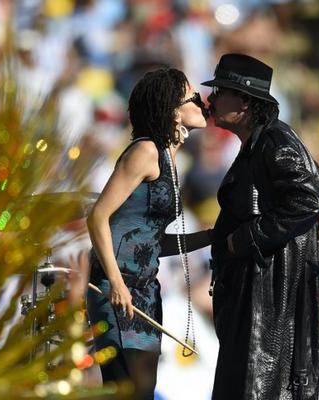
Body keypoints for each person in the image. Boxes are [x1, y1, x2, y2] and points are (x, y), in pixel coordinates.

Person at [202, 53, 319, 399]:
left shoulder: (274, 141)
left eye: (220, 92)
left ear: (244, 102)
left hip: (268, 297)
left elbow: (309, 198)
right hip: (257, 292)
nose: (211, 100)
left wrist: (245, 239)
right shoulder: (259, 143)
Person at [85, 68, 211, 399]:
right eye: (193, 98)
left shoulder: (170, 159)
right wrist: (115, 282)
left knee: (142, 392)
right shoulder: (146, 152)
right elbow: (98, 216)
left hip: (145, 291)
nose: (202, 104)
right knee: (126, 391)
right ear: (173, 110)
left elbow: (151, 242)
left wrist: (210, 237)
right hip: (117, 289)